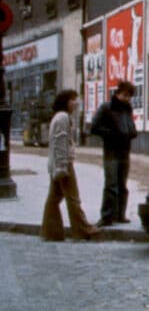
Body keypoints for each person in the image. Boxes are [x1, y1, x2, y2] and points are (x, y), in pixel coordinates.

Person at [41, 90, 100, 241]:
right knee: (73, 197)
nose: (76, 103)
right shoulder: (62, 118)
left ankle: (50, 232)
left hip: (57, 163)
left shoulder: (58, 117)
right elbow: (60, 143)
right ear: (66, 101)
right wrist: (62, 167)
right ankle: (82, 230)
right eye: (73, 100)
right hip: (63, 164)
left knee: (54, 198)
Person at [90, 80, 138, 227]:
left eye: (129, 96)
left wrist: (131, 132)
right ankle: (106, 217)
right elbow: (94, 127)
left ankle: (119, 215)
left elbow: (130, 125)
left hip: (125, 150)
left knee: (122, 184)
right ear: (117, 93)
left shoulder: (127, 109)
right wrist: (111, 134)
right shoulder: (106, 107)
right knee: (111, 184)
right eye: (124, 95)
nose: (127, 99)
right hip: (111, 150)